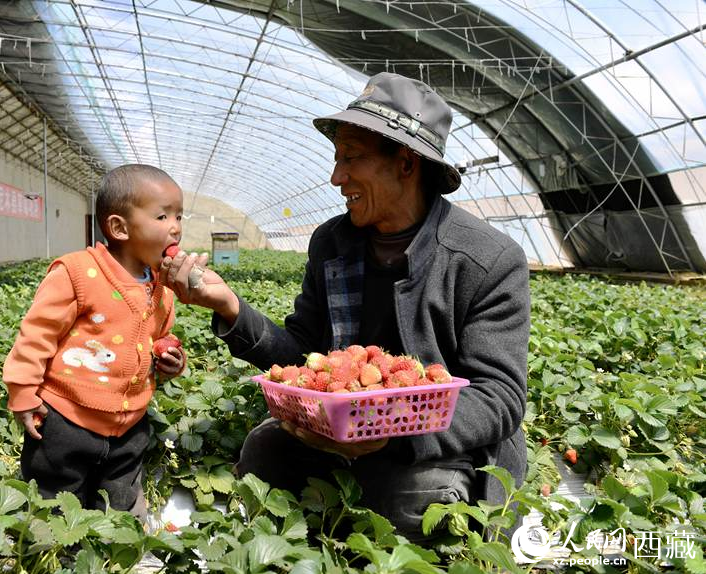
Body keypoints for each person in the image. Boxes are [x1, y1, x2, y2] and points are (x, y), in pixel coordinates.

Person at [162, 73, 530, 541]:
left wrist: (390, 430)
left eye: (352, 159)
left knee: (409, 500)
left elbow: (498, 397)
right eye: (337, 160)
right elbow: (303, 356)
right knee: (263, 455)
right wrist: (230, 307)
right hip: (339, 431)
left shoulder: (486, 259)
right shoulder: (332, 243)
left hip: (437, 448)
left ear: (407, 163)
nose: (338, 178)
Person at [3, 164, 186, 516]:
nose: (175, 227)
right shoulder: (76, 273)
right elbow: (36, 334)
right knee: (53, 497)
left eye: (179, 216)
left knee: (119, 498)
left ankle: (115, 547)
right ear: (119, 227)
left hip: (131, 422)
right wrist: (22, 393)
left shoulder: (162, 288)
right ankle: (54, 555)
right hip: (65, 420)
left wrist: (172, 359)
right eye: (162, 216)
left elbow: (161, 337)